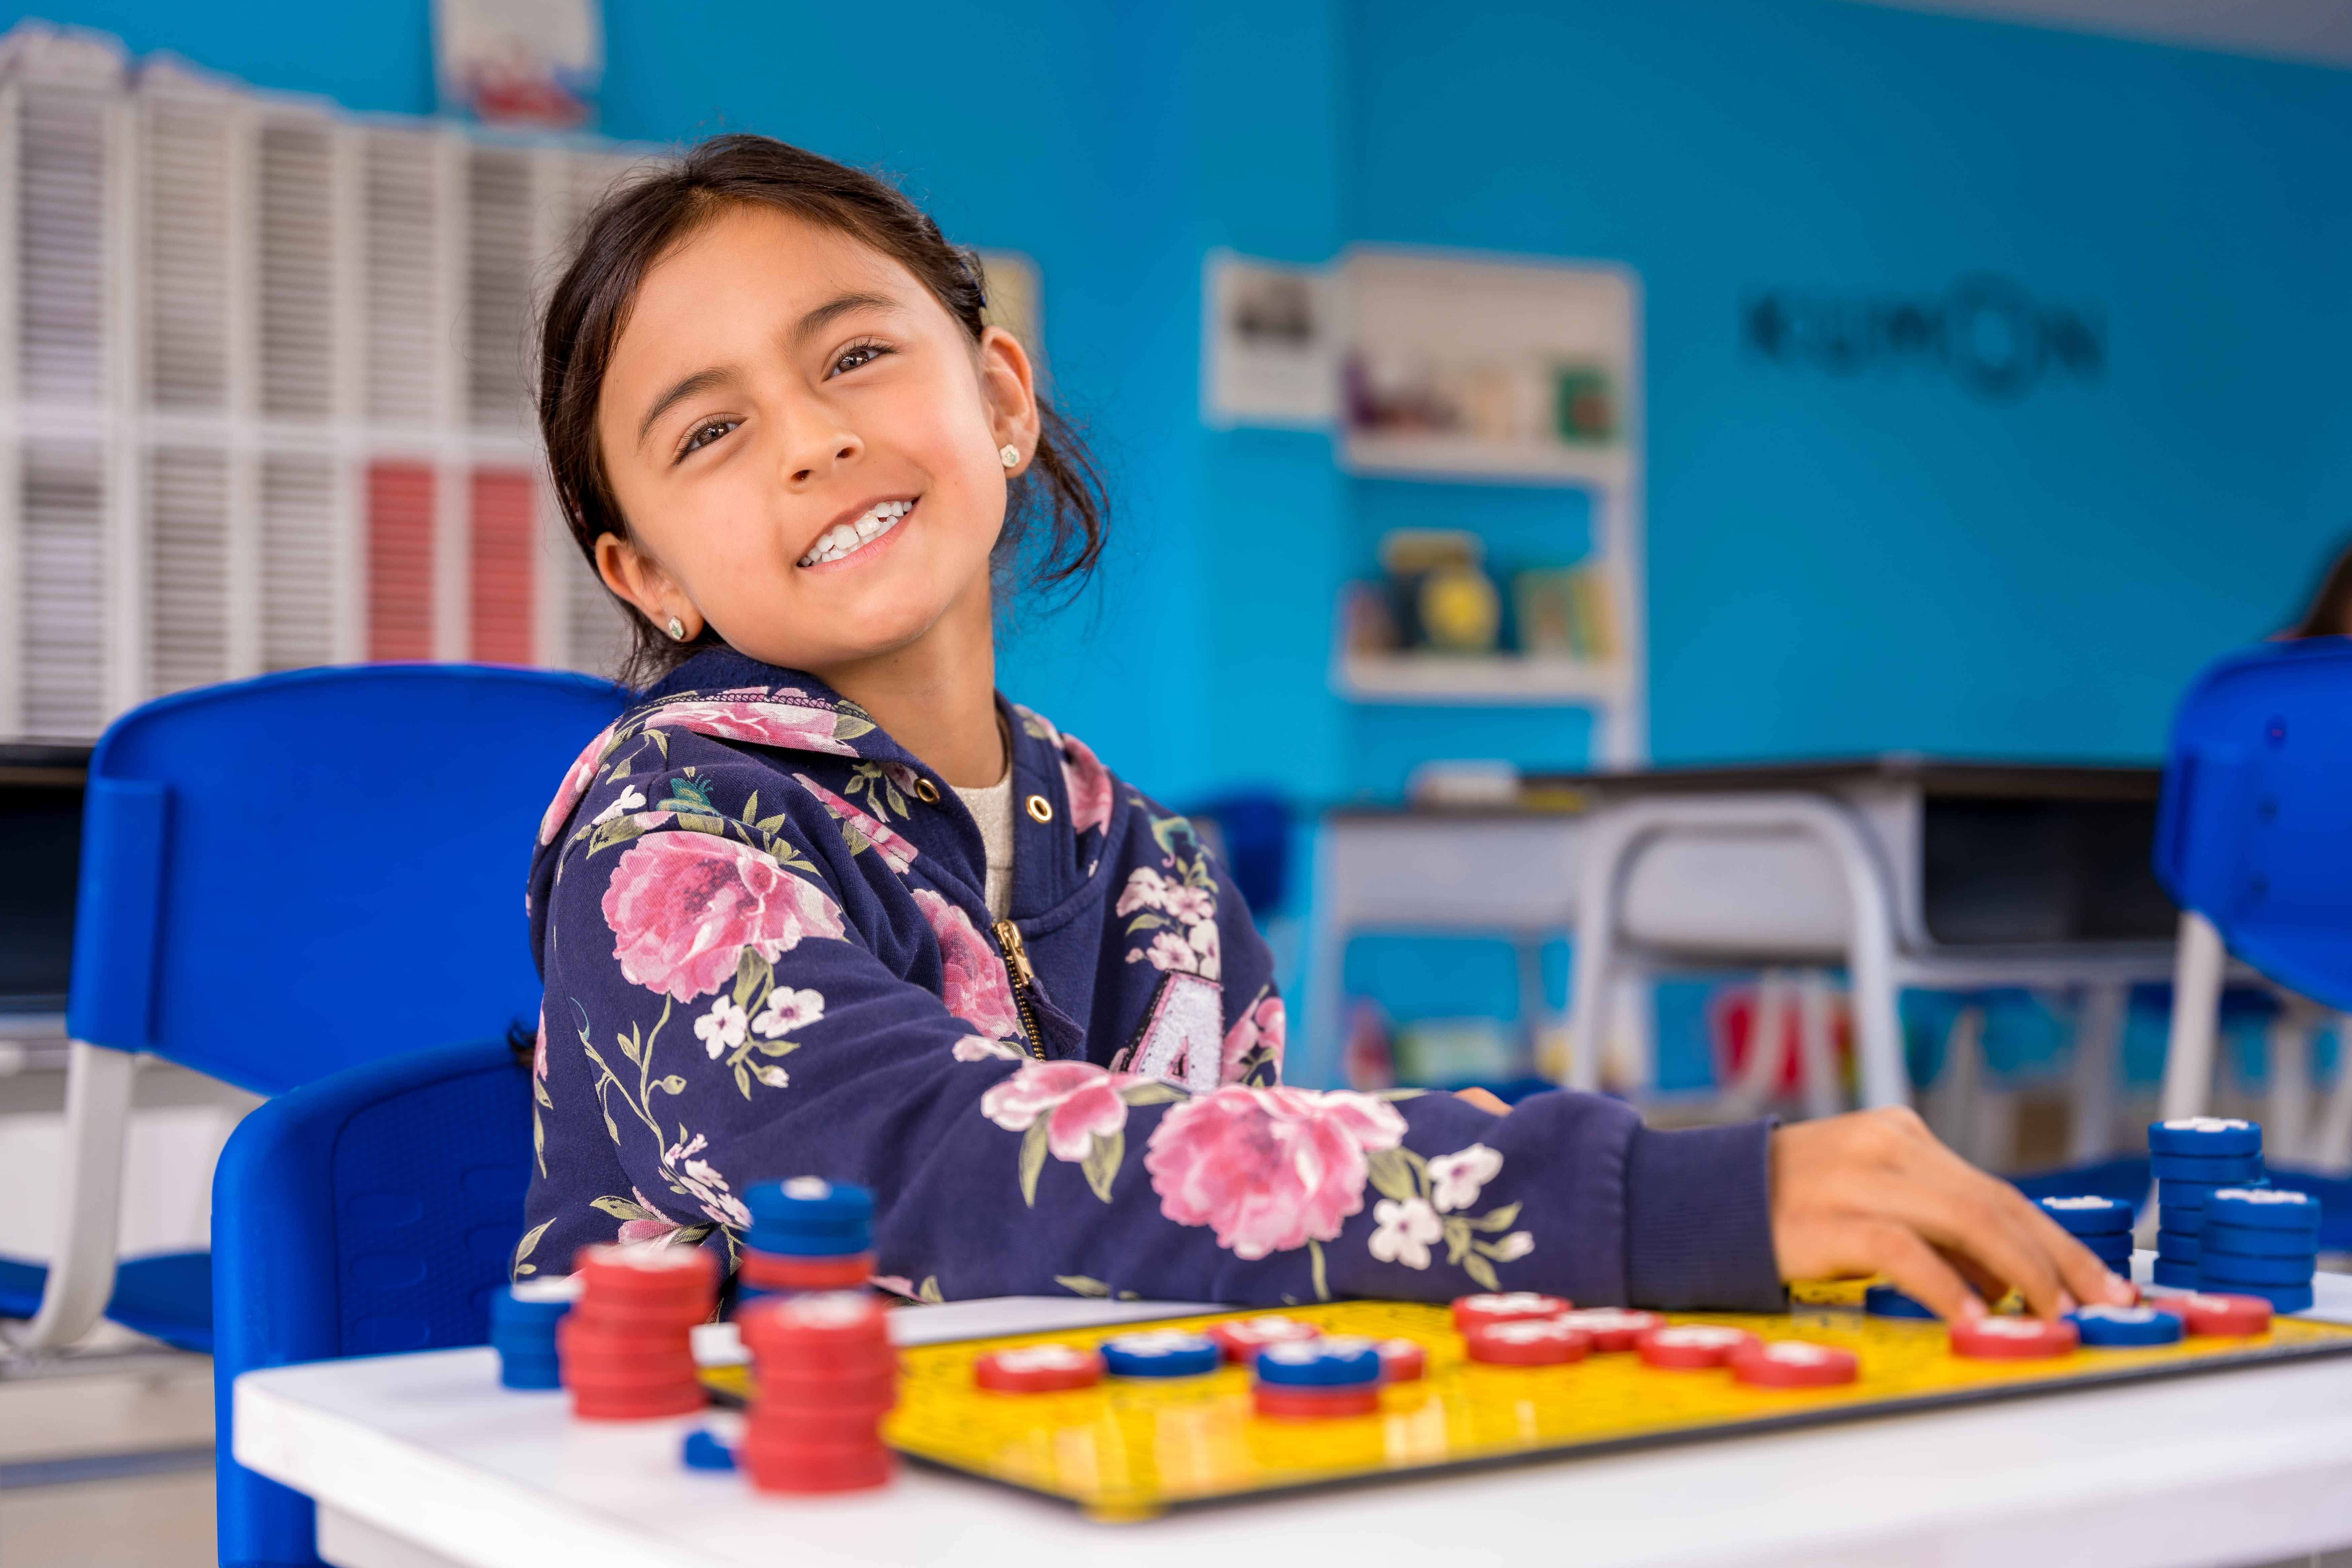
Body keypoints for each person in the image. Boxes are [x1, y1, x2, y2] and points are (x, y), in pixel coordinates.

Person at [520, 134, 2130, 1321]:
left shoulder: (1152, 868)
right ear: (644, 571)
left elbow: (1246, 1210)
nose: (813, 439)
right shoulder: (663, 849)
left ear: (1002, 400)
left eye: (857, 353)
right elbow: (924, 1176)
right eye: (713, 429)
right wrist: (1660, 1199)